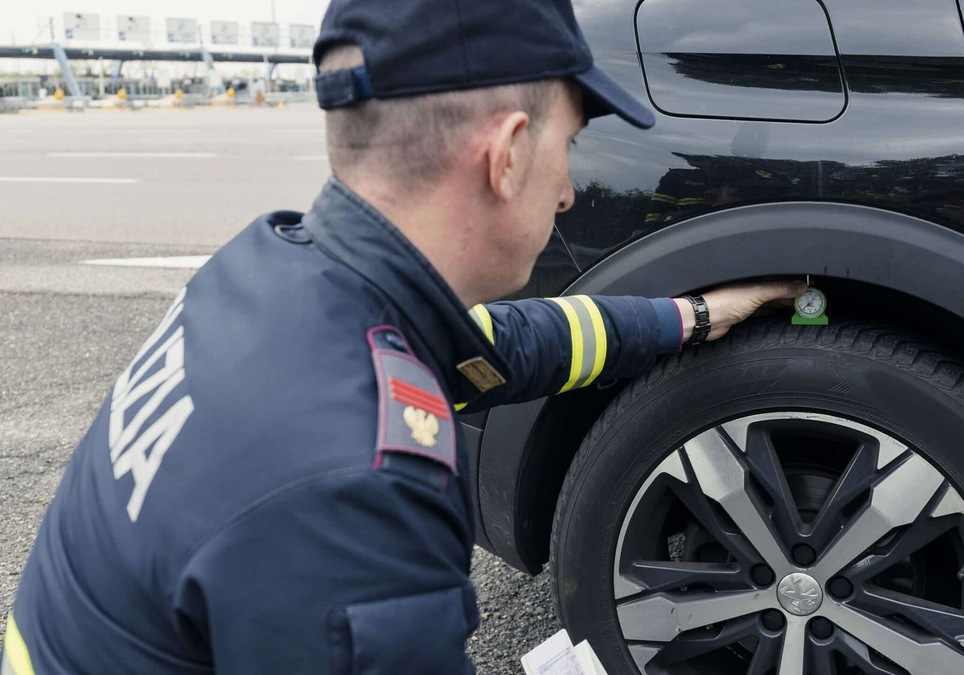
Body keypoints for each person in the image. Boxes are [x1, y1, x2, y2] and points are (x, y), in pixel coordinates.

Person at [2, 0, 805, 673]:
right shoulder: (359, 488)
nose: (566, 191)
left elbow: (506, 346)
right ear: (508, 153)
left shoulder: (276, 274)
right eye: (567, 148)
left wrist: (694, 317)